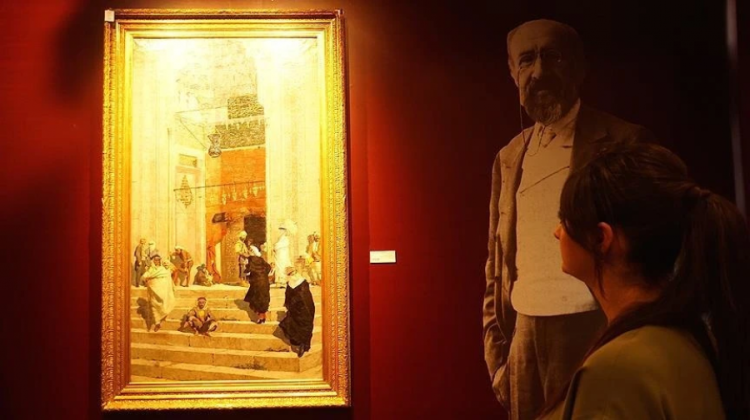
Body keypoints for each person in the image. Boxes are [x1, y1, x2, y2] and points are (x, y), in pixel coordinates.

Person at [482, 19, 656, 419]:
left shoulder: (623, 142)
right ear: (513, 72)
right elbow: (496, 261)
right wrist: (498, 357)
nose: (539, 71)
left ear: (578, 66)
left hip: (592, 326)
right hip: (524, 336)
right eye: (527, 60)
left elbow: (651, 253)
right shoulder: (509, 157)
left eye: (553, 57)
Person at [537, 142, 750, 419]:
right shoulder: (687, 338)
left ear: (601, 238)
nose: (557, 232)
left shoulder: (616, 370)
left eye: (565, 220)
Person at [279, 257, 316, 357]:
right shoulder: (295, 281)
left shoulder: (302, 281)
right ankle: (301, 344)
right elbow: (289, 295)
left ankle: (303, 345)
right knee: (297, 325)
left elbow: (305, 297)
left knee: (304, 325)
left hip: (303, 308)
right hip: (298, 308)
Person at [140, 253, 176, 332]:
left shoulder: (164, 268)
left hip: (163, 290)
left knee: (164, 304)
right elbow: (144, 277)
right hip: (154, 290)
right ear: (153, 261)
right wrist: (145, 280)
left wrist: (168, 264)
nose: (157, 261)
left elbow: (173, 270)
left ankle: (162, 316)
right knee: (154, 306)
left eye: (158, 260)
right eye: (155, 260)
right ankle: (157, 323)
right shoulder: (151, 269)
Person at [243, 255, 272, 324]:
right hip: (263, 285)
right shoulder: (262, 268)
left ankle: (261, 317)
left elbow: (247, 272)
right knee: (262, 300)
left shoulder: (255, 269)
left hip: (258, 286)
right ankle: (262, 316)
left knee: (258, 301)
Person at [273, 224, 292, 288]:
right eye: (280, 230)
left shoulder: (285, 238)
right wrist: (275, 247)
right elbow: (277, 245)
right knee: (278, 268)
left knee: (282, 267)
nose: (280, 231)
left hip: (283, 255)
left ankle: (283, 282)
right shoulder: (280, 238)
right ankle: (279, 282)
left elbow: (279, 245)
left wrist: (275, 246)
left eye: (282, 230)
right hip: (278, 255)